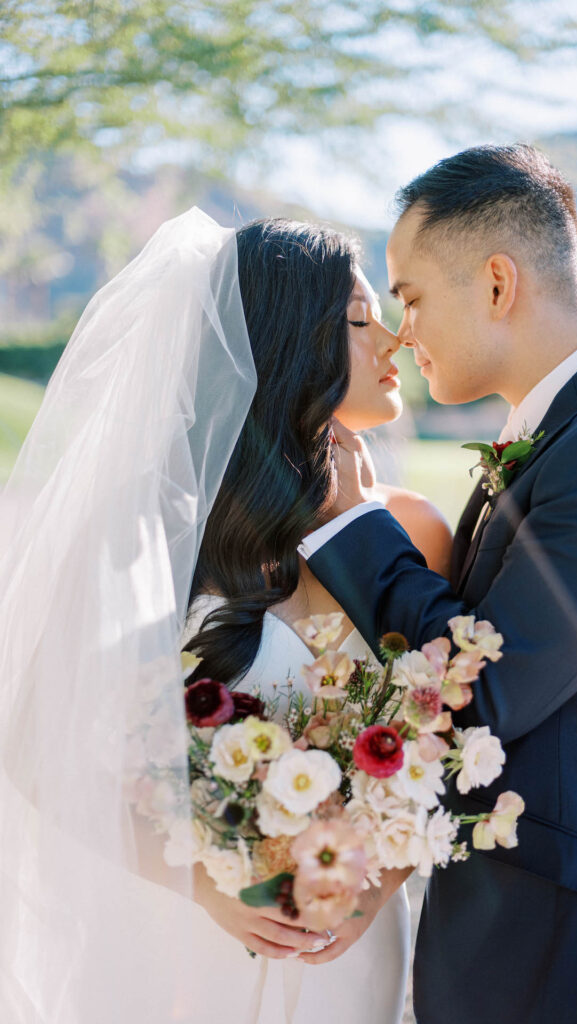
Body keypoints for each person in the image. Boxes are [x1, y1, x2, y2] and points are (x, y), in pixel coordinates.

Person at [300, 145, 577, 1024]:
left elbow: (486, 689)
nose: (401, 332)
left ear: (497, 283)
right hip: (531, 938)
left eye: (413, 298)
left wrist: (352, 528)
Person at [0, 209, 449, 1024]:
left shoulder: (417, 533)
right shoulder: (148, 528)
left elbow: (450, 738)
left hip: (343, 952)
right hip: (176, 942)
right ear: (285, 342)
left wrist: (372, 889)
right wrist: (206, 886)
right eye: (359, 320)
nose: (392, 345)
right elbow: (32, 741)